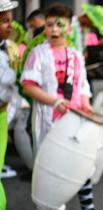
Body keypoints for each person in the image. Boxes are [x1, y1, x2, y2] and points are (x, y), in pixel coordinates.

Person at [20, 4, 94, 210]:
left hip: (75, 122)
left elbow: (83, 88)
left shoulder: (76, 55)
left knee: (82, 168)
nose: (54, 30)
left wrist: (88, 108)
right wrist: (56, 102)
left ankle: (88, 207)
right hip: (49, 123)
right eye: (50, 24)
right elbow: (28, 87)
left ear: (69, 29)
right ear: (44, 28)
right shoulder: (38, 54)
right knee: (53, 174)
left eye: (60, 25)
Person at [0, 0, 20, 208]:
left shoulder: (12, 49)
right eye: (5, 21)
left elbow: (14, 88)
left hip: (2, 117)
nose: (10, 26)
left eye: (10, 21)